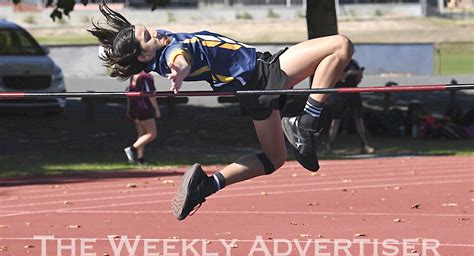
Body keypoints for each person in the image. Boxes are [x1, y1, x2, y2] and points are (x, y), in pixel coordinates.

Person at [88, 2, 354, 220]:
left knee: (274, 159)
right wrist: (179, 72)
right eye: (147, 38)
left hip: (253, 91)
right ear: (144, 57)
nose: (154, 33)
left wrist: (112, 47)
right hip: (263, 73)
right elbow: (180, 58)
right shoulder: (170, 52)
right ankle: (307, 121)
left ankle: (207, 185)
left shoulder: (155, 48)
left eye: (147, 30)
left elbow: (144, 47)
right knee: (340, 45)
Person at [325, 59, 375, 154]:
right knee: (336, 120)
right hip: (339, 93)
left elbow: (358, 80)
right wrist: (348, 73)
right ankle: (330, 146)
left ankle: (364, 145)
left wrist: (359, 75)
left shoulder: (354, 63)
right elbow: (334, 78)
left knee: (359, 119)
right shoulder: (337, 63)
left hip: (353, 93)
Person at [124, 71, 161, 164]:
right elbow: (150, 94)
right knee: (152, 134)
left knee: (141, 134)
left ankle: (140, 158)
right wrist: (156, 109)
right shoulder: (146, 77)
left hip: (135, 108)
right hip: (144, 109)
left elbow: (130, 92)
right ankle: (132, 149)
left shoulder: (133, 75)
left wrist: (129, 109)